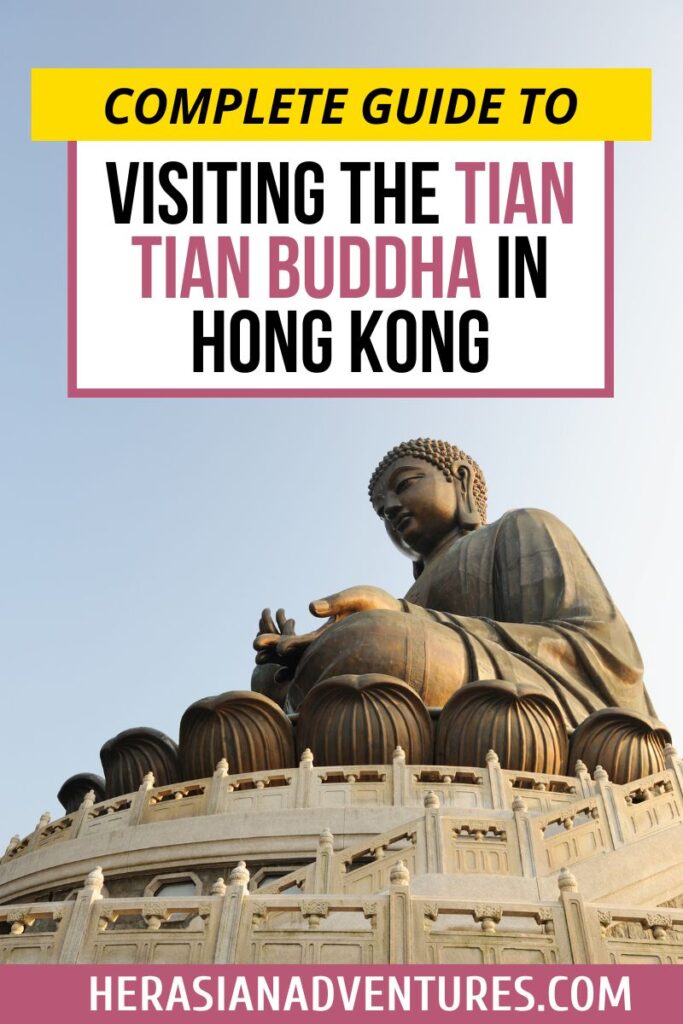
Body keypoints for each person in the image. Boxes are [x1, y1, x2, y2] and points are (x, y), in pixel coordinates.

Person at [253, 438, 654, 728]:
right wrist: (292, 671)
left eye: (405, 484)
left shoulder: (520, 528)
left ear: (459, 479)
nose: (391, 508)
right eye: (381, 511)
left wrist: (398, 619)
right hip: (406, 712)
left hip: (531, 710)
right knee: (262, 691)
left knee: (376, 640)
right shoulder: (403, 599)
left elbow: (603, 654)